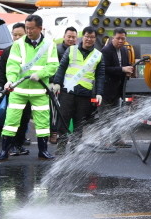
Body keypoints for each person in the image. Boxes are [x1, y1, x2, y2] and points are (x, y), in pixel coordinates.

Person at [0, 15, 59, 162]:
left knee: (42, 122)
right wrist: (10, 80)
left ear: (40, 28)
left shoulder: (50, 45)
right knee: (11, 121)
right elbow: (12, 65)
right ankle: (5, 151)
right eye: (27, 28)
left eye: (31, 28)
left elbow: (53, 65)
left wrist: (41, 74)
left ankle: (43, 151)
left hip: (39, 91)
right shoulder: (19, 44)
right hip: (19, 90)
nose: (28, 31)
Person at [52, 26, 105, 155]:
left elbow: (100, 76)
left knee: (79, 123)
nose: (89, 39)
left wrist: (99, 93)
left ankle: (74, 149)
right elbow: (62, 68)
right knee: (63, 121)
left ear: (95, 39)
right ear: (83, 37)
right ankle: (61, 148)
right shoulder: (71, 50)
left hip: (85, 94)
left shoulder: (98, 55)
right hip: (67, 92)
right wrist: (57, 83)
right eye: (87, 36)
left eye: (92, 37)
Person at [0, 22, 32, 157]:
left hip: (28, 91)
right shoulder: (7, 51)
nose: (17, 37)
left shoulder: (31, 51)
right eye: (15, 35)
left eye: (20, 35)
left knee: (24, 120)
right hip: (13, 92)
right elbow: (1, 71)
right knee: (11, 121)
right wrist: (1, 85)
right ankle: (9, 146)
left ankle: (19, 144)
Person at [100, 27, 133, 149]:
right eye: (118, 38)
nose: (120, 41)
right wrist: (122, 69)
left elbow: (126, 65)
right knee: (104, 116)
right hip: (106, 89)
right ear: (113, 38)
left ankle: (116, 139)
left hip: (117, 89)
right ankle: (104, 141)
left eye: (123, 39)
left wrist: (128, 70)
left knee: (116, 115)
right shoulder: (106, 50)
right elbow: (104, 69)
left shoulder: (124, 50)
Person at [51, 26, 78, 144]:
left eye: (73, 37)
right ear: (64, 37)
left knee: (69, 113)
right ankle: (54, 134)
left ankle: (69, 135)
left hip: (72, 87)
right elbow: (53, 68)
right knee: (56, 112)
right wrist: (54, 82)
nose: (71, 39)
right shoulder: (57, 50)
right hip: (58, 86)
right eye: (69, 37)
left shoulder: (78, 51)